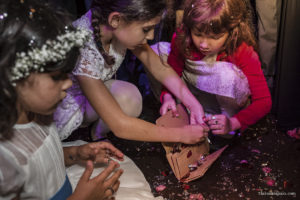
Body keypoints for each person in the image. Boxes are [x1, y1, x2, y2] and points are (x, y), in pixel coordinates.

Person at [0, 1, 124, 199]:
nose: (68, 83)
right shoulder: (6, 159)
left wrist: (75, 154)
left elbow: (41, 165)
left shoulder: (41, 115)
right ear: (13, 79)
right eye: (57, 76)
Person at [54, 0, 208, 143]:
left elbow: (160, 68)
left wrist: (194, 105)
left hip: (92, 93)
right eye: (146, 29)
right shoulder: (84, 47)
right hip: (64, 106)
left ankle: (97, 133)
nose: (151, 36)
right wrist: (180, 135)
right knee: (121, 112)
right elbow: (120, 126)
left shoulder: (118, 25)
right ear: (115, 20)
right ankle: (81, 132)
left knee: (130, 97)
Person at [159, 0, 272, 140]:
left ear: (232, 32)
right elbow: (172, 72)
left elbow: (264, 101)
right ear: (190, 27)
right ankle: (183, 114)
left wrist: (233, 123)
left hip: (226, 111)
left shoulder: (242, 50)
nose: (204, 44)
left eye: (215, 37)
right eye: (198, 34)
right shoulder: (183, 39)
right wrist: (167, 96)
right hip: (193, 97)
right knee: (158, 52)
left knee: (227, 75)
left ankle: (223, 130)